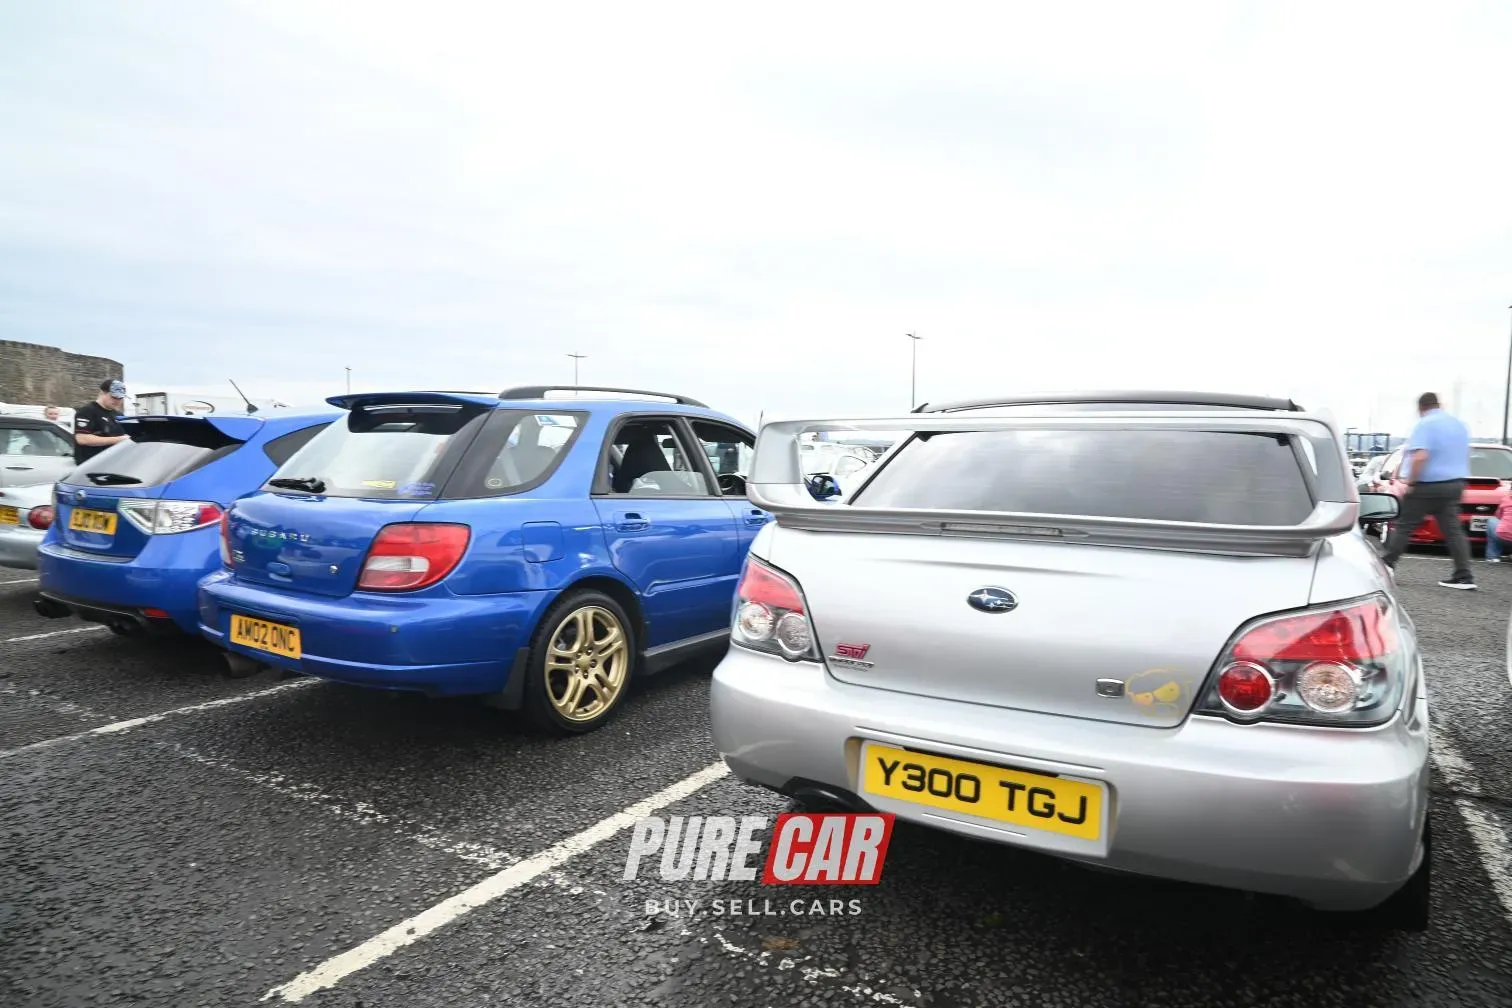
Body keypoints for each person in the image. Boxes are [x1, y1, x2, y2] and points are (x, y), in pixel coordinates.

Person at [1380, 392, 1475, 589]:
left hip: (1427, 485)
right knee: (1453, 531)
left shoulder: (1425, 424)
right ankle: (1464, 576)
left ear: (1421, 407)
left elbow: (1421, 456)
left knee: (1404, 525)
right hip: (1455, 484)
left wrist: (1412, 483)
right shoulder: (1459, 425)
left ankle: (1387, 566)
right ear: (1438, 404)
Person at [73, 379, 130, 464]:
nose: (117, 401)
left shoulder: (118, 415)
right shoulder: (87, 411)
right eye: (114, 397)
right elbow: (82, 438)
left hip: (112, 464)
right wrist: (119, 439)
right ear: (102, 393)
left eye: (120, 398)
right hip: (90, 465)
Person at [1483, 494, 1512, 562]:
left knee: (1492, 520)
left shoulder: (1506, 499)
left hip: (1504, 536)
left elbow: (1498, 516)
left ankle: (1492, 557)